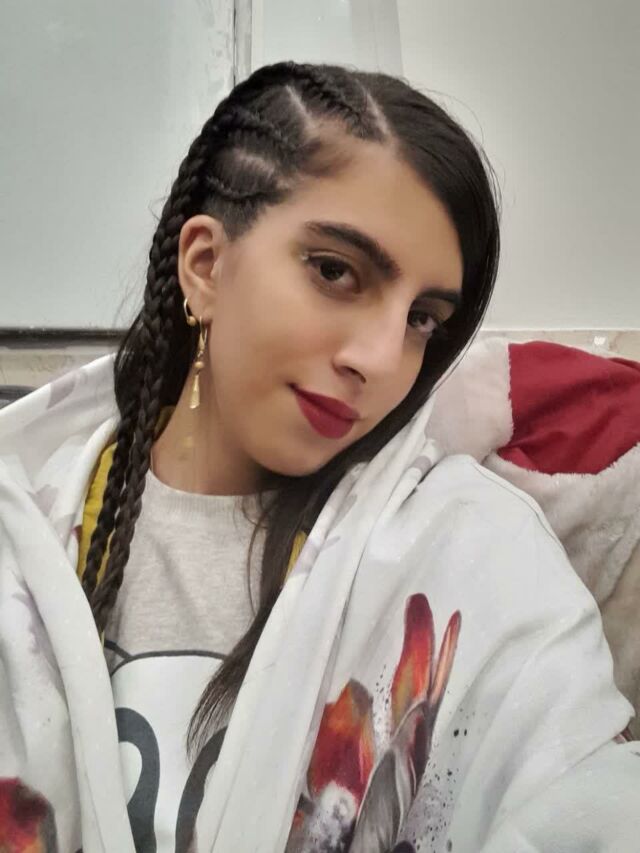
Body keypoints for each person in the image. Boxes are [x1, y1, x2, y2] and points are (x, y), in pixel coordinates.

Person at [0, 60, 638, 853]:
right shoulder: (26, 532)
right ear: (205, 265)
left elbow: (580, 792)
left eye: (422, 318)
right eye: (337, 271)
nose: (381, 358)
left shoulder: (470, 548)